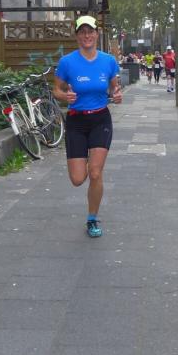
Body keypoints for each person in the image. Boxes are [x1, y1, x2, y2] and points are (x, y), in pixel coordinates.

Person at [52, 16, 122, 238]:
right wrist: (65, 95)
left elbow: (114, 88)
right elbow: (56, 90)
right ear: (77, 36)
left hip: (100, 119)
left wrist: (117, 95)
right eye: (82, 32)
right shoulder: (67, 62)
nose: (87, 36)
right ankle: (87, 164)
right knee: (77, 179)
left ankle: (92, 218)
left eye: (90, 31)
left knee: (95, 172)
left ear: (96, 34)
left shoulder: (108, 61)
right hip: (76, 121)